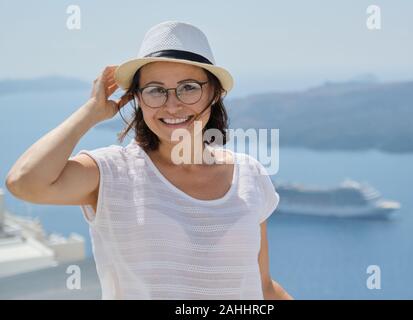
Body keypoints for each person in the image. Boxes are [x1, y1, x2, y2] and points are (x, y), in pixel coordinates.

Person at [5, 20, 293, 300]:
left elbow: (262, 287)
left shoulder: (249, 175)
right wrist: (91, 112)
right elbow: (24, 183)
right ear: (138, 99)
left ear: (214, 93)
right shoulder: (112, 173)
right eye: (155, 90)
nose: (172, 104)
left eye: (189, 87)